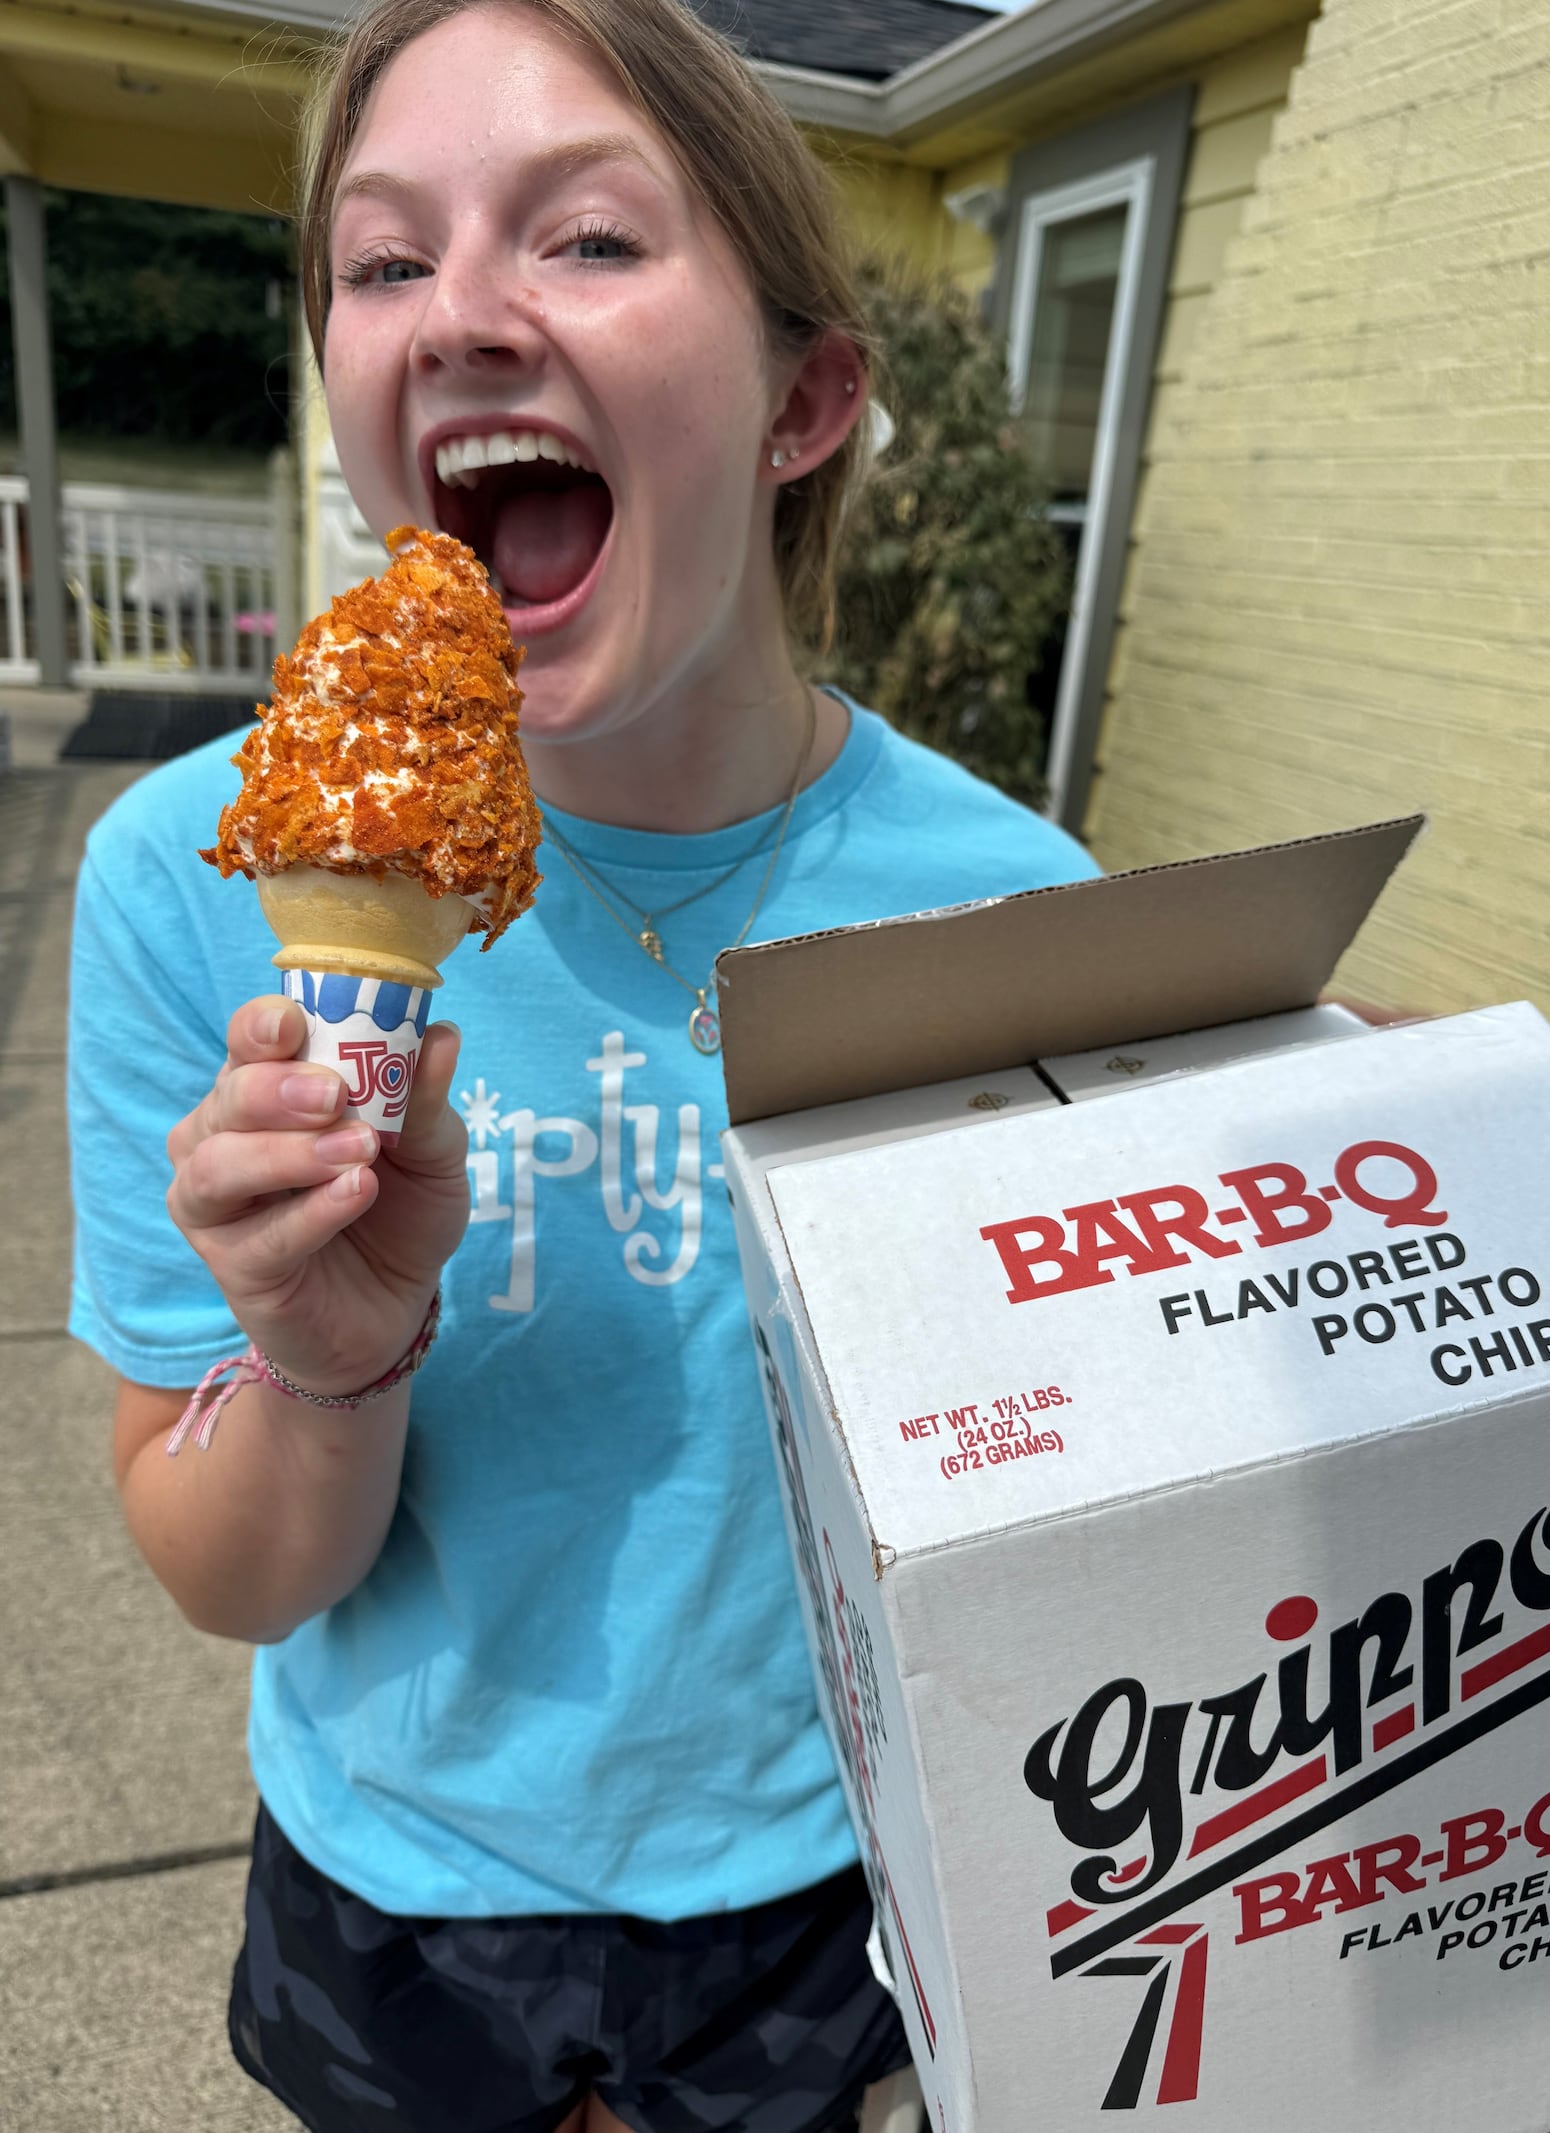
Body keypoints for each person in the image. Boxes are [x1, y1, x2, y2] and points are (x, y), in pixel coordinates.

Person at [67, 1, 1098, 2127]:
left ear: (805, 399)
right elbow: (228, 1568)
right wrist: (331, 1357)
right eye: (380, 259)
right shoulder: (197, 877)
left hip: (833, 1890)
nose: (457, 315)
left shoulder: (1013, 909)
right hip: (394, 1892)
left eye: (588, 240)